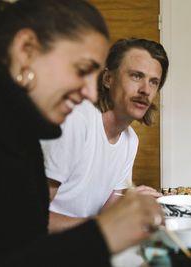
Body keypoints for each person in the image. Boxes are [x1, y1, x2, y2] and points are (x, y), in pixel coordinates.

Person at [0, 0, 163, 266]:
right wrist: (103, 232)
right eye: (82, 70)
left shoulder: (24, 132)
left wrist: (131, 208)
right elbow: (27, 237)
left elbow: (21, 235)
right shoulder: (67, 123)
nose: (90, 94)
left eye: (154, 82)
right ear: (25, 49)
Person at [40, 38, 168, 233]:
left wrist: (132, 207)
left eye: (153, 82)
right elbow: (28, 216)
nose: (145, 90)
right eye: (136, 76)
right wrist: (105, 223)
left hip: (83, 244)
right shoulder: (76, 122)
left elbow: (105, 215)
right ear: (108, 79)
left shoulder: (130, 141)